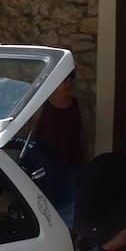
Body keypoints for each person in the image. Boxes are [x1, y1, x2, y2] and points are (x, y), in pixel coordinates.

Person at [34, 72, 85, 226]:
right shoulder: (43, 105)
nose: (68, 84)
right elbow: (32, 132)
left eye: (71, 80)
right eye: (64, 80)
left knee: (70, 203)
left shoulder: (76, 104)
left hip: (72, 160)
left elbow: (82, 132)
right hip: (48, 162)